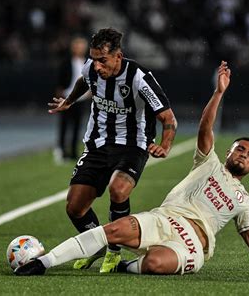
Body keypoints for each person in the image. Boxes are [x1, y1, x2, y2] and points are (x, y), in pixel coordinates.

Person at [15, 61, 249, 276]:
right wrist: (218, 93)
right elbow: (205, 128)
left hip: (192, 243)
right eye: (240, 148)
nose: (243, 154)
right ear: (228, 152)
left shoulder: (245, 201)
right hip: (165, 219)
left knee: (155, 265)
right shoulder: (209, 161)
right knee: (113, 231)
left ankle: (124, 266)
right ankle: (44, 263)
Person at [47, 28, 177, 273]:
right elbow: (82, 80)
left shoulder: (139, 77)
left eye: (102, 60)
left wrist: (165, 145)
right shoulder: (90, 68)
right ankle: (94, 246)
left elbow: (168, 117)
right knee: (74, 207)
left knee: (118, 190)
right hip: (98, 143)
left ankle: (114, 251)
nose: (97, 66)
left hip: (132, 145)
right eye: (94, 59)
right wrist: (69, 101)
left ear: (119, 56)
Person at [53, 37, 90, 163]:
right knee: (64, 125)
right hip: (66, 97)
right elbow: (60, 79)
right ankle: (61, 151)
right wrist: (60, 94)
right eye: (77, 46)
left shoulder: (87, 62)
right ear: (73, 48)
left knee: (77, 126)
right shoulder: (66, 61)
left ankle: (73, 152)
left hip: (81, 99)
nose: (80, 49)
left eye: (82, 46)